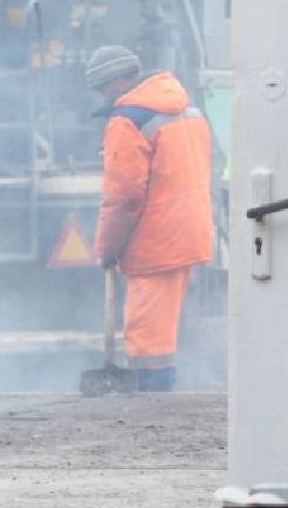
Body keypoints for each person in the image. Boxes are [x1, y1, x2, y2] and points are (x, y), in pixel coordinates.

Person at [85, 45, 213, 391]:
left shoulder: (127, 120)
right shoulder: (186, 107)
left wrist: (107, 248)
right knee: (165, 333)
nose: (103, 97)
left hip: (154, 244)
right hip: (190, 232)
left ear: (115, 83)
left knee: (148, 341)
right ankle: (160, 396)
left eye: (101, 89)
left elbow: (124, 197)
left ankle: (152, 404)